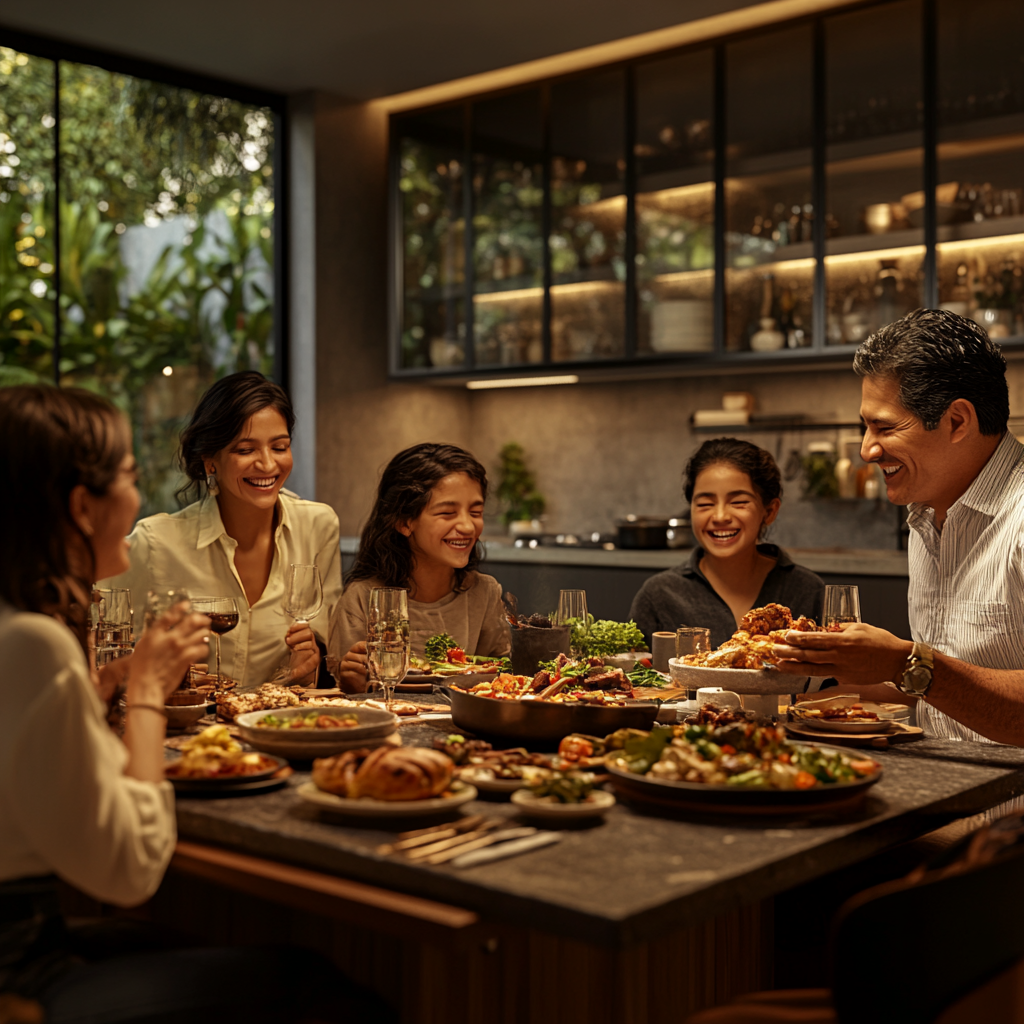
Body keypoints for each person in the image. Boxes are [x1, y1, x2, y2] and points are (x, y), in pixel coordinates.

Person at [0, 385, 390, 1023]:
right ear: (78, 505)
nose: (138, 502)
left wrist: (101, 686)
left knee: (199, 945)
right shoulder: (36, 641)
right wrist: (149, 691)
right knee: (320, 985)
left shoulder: (15, 626)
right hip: (21, 970)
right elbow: (129, 872)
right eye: (128, 476)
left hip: (35, 936)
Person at [775, 308, 1024, 745]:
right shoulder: (926, 517)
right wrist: (806, 671)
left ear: (957, 421)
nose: (867, 450)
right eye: (865, 427)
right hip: (948, 794)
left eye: (884, 427)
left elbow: (925, 675)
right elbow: (942, 692)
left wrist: (905, 662)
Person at [104, 372, 341, 691]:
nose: (268, 464)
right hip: (185, 732)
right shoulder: (156, 542)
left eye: (280, 446)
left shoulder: (318, 526)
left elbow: (324, 652)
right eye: (246, 450)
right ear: (210, 462)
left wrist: (309, 666)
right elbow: (98, 635)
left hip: (279, 728)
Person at [329, 443, 510, 692]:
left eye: (476, 511)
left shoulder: (485, 593)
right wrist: (352, 682)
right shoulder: (362, 599)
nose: (468, 527)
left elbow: (503, 679)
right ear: (404, 521)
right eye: (447, 513)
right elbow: (347, 694)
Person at [629, 438, 824, 649]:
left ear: (769, 511)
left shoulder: (807, 591)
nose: (720, 516)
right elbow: (636, 675)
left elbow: (836, 678)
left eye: (738, 502)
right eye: (705, 504)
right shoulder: (659, 595)